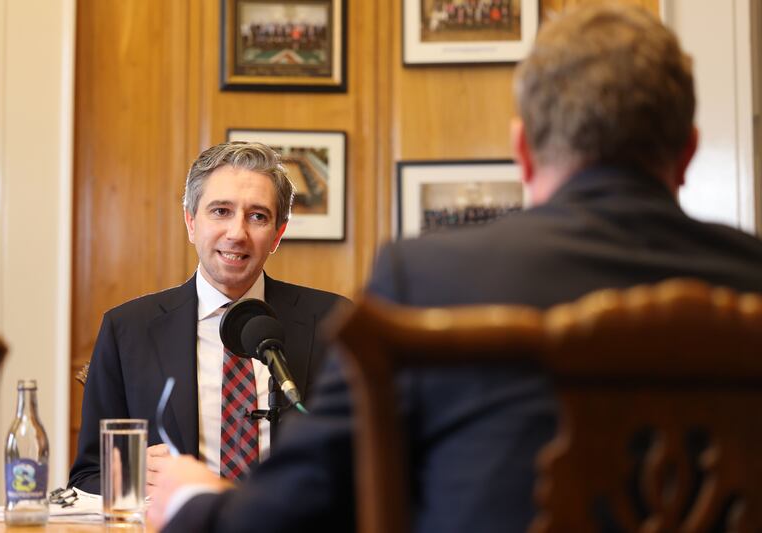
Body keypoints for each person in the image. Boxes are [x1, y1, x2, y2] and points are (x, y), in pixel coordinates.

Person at [148, 4, 762, 532]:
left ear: (523, 149)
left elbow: (296, 511)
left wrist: (192, 499)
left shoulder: (428, 281)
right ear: (686, 152)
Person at [68, 141, 347, 493]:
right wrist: (135, 475)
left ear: (278, 234)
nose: (237, 233)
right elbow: (87, 477)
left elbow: (367, 459)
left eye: (258, 216)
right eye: (220, 211)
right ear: (190, 222)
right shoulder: (127, 330)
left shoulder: (334, 322)